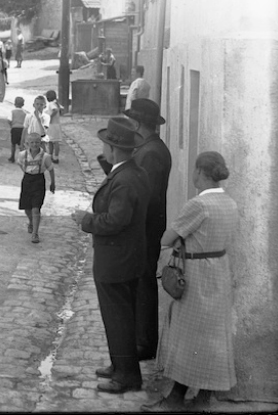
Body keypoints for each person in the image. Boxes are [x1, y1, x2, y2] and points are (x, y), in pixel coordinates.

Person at [141, 151, 238, 412]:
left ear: (200, 172)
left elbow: (166, 238)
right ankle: (203, 398)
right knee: (213, 335)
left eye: (195, 170)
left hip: (196, 274)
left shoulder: (198, 205)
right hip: (219, 271)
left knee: (187, 335)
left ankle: (174, 399)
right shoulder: (230, 203)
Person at [72, 116, 150, 394]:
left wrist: (86, 220)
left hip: (117, 260)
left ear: (114, 149)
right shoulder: (130, 172)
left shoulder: (125, 179)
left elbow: (116, 220)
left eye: (105, 145)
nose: (103, 149)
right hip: (123, 258)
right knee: (118, 317)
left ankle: (126, 376)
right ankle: (121, 367)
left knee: (118, 318)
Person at [124, 99, 172, 361]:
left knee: (143, 285)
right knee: (139, 283)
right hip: (143, 228)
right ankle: (140, 339)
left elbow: (148, 197)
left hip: (145, 228)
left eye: (133, 121)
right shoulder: (147, 147)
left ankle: (145, 343)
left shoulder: (152, 152)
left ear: (140, 123)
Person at [16, 132, 55, 244]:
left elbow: (51, 169)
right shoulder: (23, 155)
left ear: (40, 143)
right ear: (27, 143)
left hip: (39, 181)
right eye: (32, 142)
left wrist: (53, 183)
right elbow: (20, 164)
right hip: (27, 181)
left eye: (37, 142)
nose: (34, 144)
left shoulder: (45, 157)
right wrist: (26, 172)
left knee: (36, 209)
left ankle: (35, 233)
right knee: (27, 208)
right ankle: (31, 222)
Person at [44, 89, 64, 163]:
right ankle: (55, 156)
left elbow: (55, 110)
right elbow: (61, 109)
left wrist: (50, 117)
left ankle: (52, 156)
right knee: (55, 141)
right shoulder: (56, 103)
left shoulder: (51, 104)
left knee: (52, 142)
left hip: (52, 125)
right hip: (57, 124)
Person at [8, 96, 28, 163]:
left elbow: (9, 120)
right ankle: (22, 159)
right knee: (21, 145)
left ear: (14, 104)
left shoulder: (12, 111)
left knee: (13, 144)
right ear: (23, 104)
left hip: (14, 128)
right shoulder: (25, 112)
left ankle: (12, 157)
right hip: (22, 129)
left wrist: (11, 125)